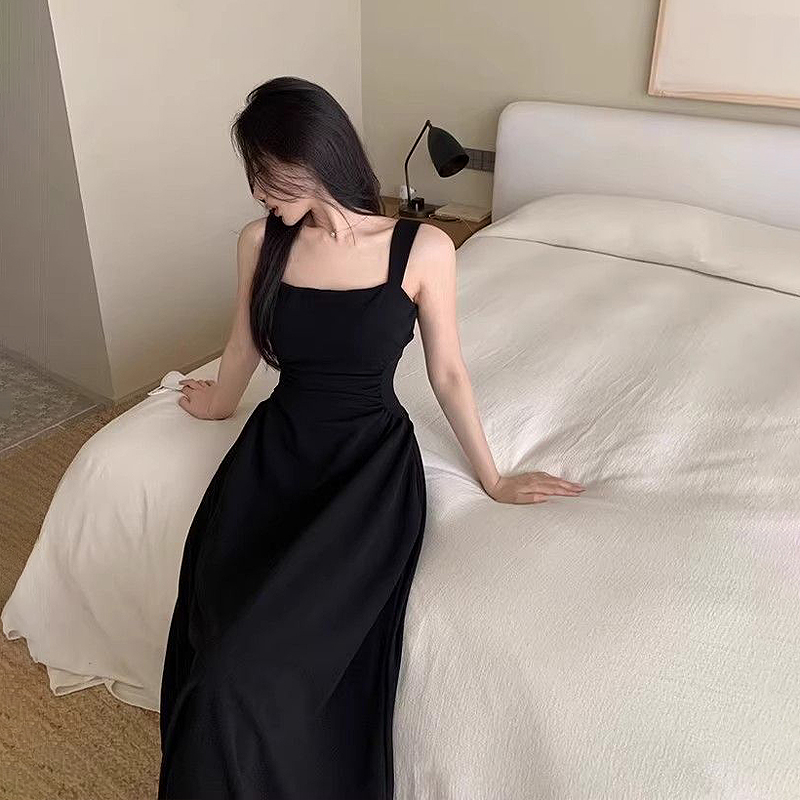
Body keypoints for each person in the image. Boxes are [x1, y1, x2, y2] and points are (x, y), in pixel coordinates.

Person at [157, 75, 585, 800]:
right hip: (274, 460)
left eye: (268, 173)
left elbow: (448, 372)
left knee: (246, 671)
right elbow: (243, 344)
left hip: (365, 474)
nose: (257, 192)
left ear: (315, 158)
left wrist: (492, 477)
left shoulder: (424, 249)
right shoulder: (261, 242)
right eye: (254, 175)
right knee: (219, 646)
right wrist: (218, 402)